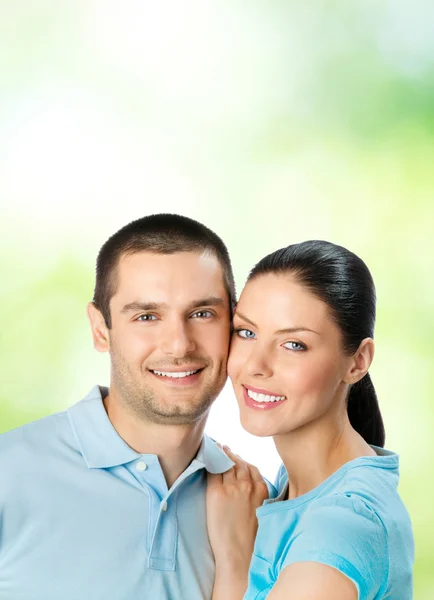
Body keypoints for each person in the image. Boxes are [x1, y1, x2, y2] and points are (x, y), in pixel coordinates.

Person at [0, 213, 267, 600]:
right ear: (100, 329)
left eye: (202, 313)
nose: (179, 345)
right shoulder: (9, 475)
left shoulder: (258, 503)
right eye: (146, 316)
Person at [207, 240, 414, 600]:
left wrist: (234, 560)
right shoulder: (302, 485)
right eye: (247, 332)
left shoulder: (342, 523)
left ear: (357, 362)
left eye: (294, 345)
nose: (255, 366)